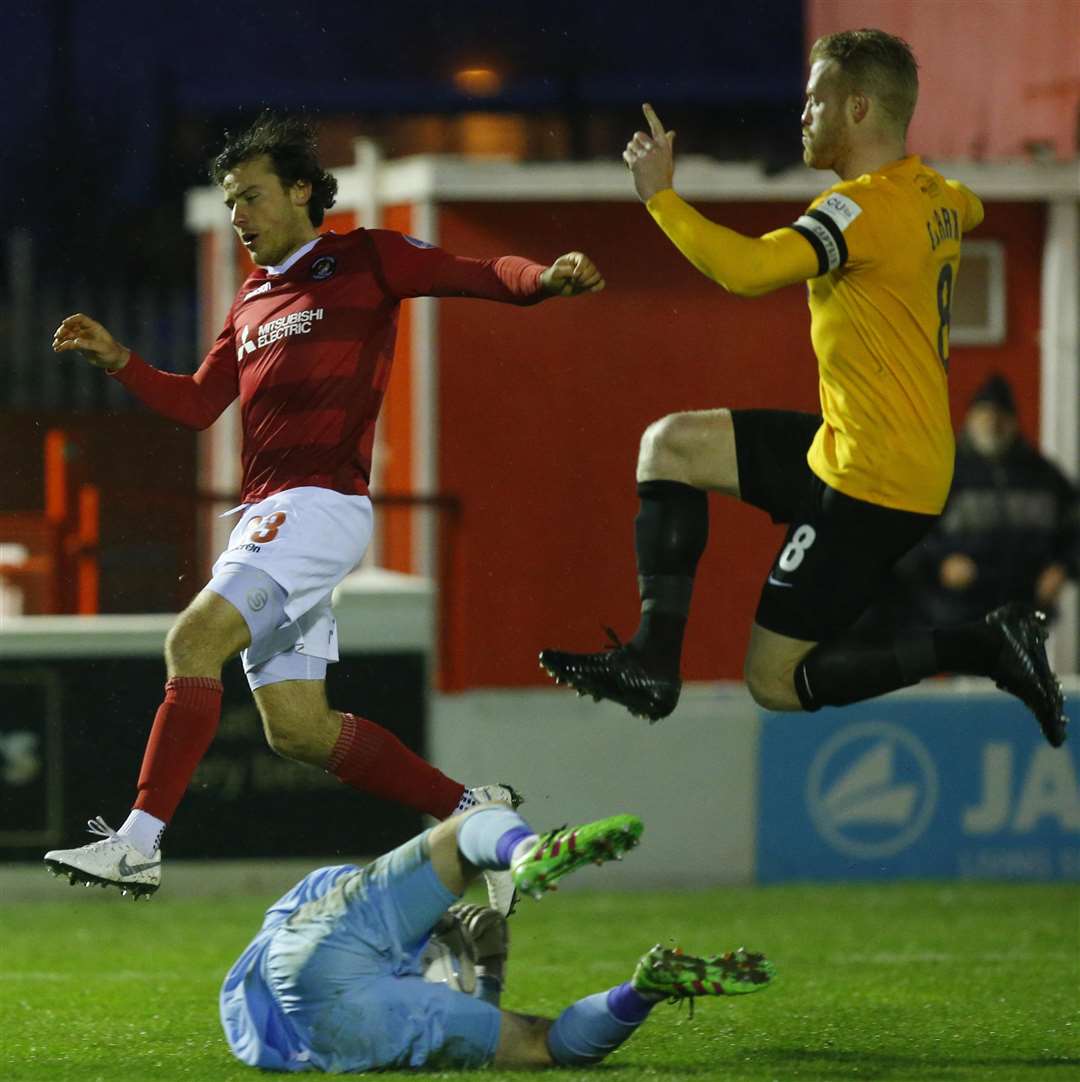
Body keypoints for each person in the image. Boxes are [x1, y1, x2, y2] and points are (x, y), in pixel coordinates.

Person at [44, 112, 606, 900]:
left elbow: (471, 273)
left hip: (315, 508)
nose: (238, 216)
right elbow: (200, 404)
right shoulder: (250, 301)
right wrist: (121, 361)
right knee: (299, 731)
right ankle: (473, 811)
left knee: (191, 642)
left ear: (303, 190)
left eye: (251, 196)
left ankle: (138, 842)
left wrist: (541, 279)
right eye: (230, 202)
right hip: (274, 517)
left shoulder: (363, 257)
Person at [539, 30, 1067, 747]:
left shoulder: (861, 210)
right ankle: (652, 661)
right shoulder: (938, 196)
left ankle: (984, 645)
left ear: (856, 109)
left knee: (775, 683)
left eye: (816, 98)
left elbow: (749, 270)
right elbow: (966, 206)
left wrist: (661, 197)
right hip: (856, 449)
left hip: (873, 482)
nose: (803, 112)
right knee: (671, 447)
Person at [219, 804, 774, 1071]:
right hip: (338, 1007)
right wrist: (481, 977)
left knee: (541, 1043)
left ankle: (646, 988)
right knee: (467, 831)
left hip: (323, 1016)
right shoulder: (323, 890)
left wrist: (480, 981)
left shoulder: (314, 906)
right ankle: (526, 857)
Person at [891, 374, 1079, 629]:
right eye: (985, 415)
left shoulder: (1044, 476)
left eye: (1001, 416)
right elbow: (907, 534)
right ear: (970, 419)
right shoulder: (943, 473)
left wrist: (1064, 567)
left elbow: (1074, 526)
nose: (993, 424)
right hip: (956, 611)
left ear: (1014, 422)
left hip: (1027, 612)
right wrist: (940, 563)